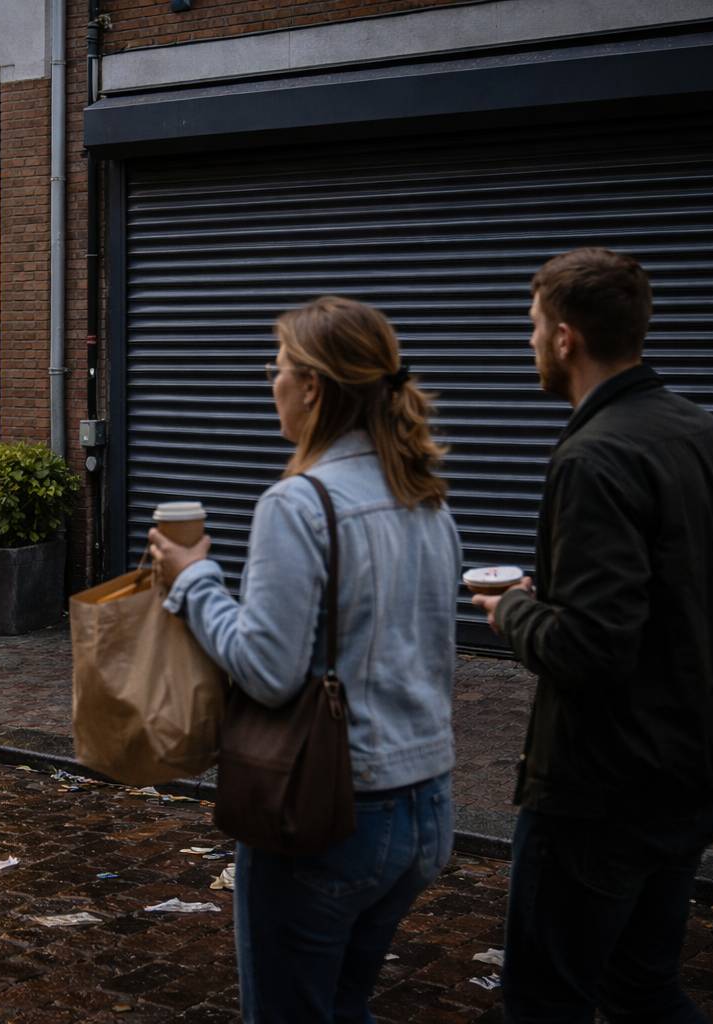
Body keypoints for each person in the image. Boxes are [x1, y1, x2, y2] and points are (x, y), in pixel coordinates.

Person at [150, 296, 461, 1023]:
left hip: (330, 810)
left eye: (279, 369)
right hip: (426, 805)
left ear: (313, 387)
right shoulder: (426, 498)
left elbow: (267, 670)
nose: (274, 384)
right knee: (345, 1006)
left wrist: (194, 581)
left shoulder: (297, 504)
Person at [474, 248, 713, 1023]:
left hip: (608, 789)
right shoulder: (708, 433)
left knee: (546, 1000)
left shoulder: (594, 455)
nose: (528, 342)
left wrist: (514, 611)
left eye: (532, 326)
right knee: (641, 987)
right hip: (701, 763)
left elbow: (591, 649)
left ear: (565, 337)